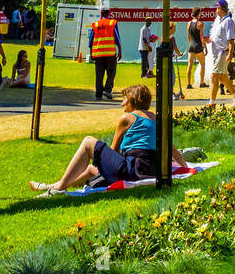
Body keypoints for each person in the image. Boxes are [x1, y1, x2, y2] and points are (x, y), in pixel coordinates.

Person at [28, 83, 187, 195]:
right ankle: (50, 186)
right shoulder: (158, 120)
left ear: (132, 101)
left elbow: (113, 151)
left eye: (124, 99)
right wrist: (186, 169)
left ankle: (58, 189)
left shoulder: (127, 118)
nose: (122, 103)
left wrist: (102, 161)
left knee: (88, 142)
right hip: (150, 170)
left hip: (133, 171)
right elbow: (172, 149)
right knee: (91, 169)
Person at [88, 8, 121, 102]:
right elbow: (117, 38)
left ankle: (98, 94)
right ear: (109, 14)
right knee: (111, 73)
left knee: (99, 75)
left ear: (101, 14)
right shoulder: (112, 23)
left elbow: (90, 42)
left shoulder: (96, 25)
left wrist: (91, 54)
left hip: (98, 54)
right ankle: (107, 90)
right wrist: (120, 51)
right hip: (110, 54)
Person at [208, 0, 235, 103]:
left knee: (214, 76)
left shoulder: (228, 21)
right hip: (218, 53)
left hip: (222, 52)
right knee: (223, 78)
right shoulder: (221, 21)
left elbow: (231, 39)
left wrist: (230, 53)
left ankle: (212, 102)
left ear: (221, 9)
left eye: (217, 8)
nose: (216, 10)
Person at [186, 11, 205, 90]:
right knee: (203, 64)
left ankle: (188, 84)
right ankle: (202, 83)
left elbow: (188, 36)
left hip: (191, 45)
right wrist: (205, 47)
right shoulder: (200, 23)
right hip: (198, 45)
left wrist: (190, 44)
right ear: (198, 14)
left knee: (189, 65)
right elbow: (201, 37)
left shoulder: (189, 23)